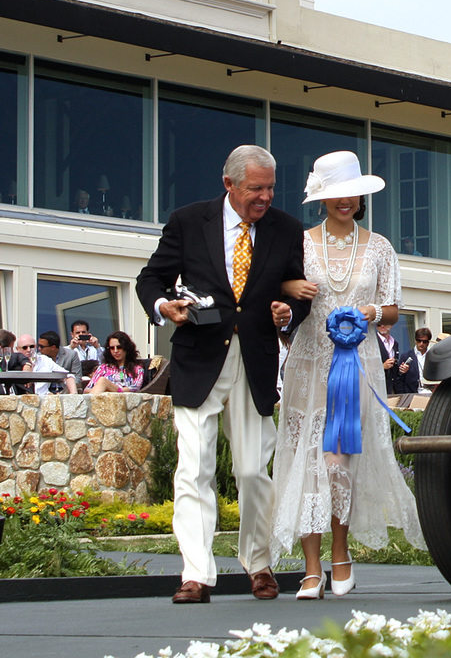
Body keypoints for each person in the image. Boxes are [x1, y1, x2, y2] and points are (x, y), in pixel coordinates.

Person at [135, 144, 309, 605]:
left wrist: (286, 312)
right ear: (229, 184)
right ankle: (196, 574)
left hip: (254, 363)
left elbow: (299, 292)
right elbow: (150, 278)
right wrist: (162, 306)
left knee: (254, 472)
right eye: (256, 188)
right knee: (194, 470)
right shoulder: (188, 221)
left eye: (271, 188)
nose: (266, 197)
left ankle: (259, 562)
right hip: (197, 361)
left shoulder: (288, 230)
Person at [271, 150, 423, 600]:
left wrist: (373, 311)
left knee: (341, 460)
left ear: (360, 197)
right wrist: (287, 291)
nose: (345, 201)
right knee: (308, 462)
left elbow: (393, 306)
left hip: (357, 367)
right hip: (308, 366)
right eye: (336, 194)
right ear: (322, 198)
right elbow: (278, 295)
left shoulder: (379, 246)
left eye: (351, 194)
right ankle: (310, 567)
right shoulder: (297, 244)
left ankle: (341, 554)